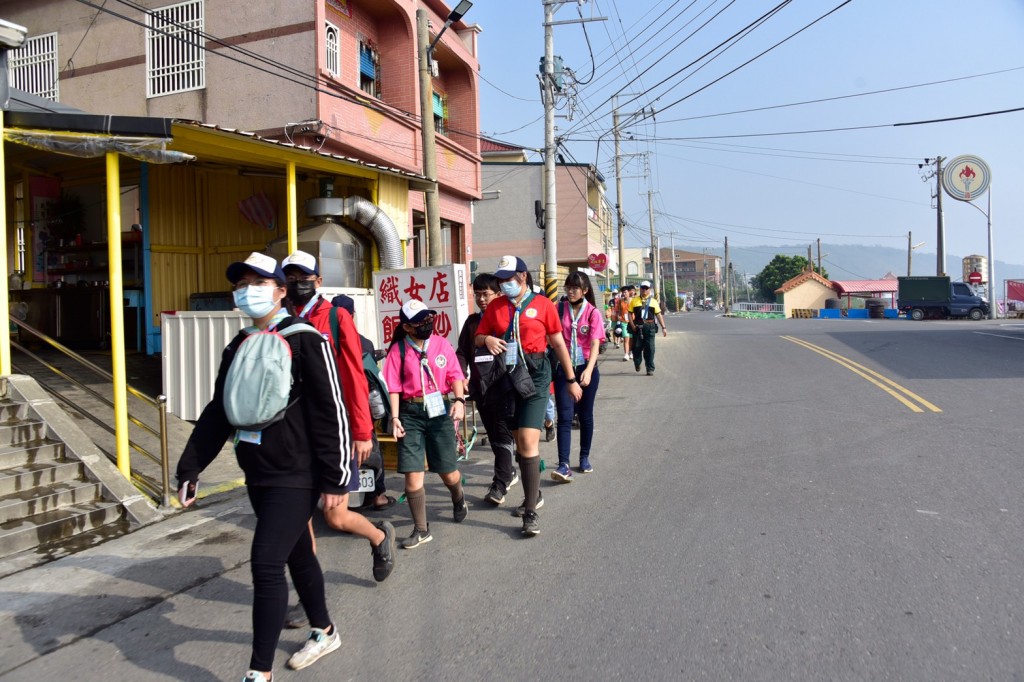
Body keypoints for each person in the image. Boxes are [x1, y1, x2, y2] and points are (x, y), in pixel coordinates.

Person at [175, 252, 346, 682]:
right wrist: (190, 468)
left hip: (298, 471)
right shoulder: (238, 344)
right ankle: (324, 630)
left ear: (281, 290)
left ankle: (259, 672)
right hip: (258, 470)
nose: (247, 290)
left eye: (258, 282)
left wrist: (337, 476)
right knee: (297, 553)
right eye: (241, 283)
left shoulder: (307, 338)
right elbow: (218, 410)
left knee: (266, 563)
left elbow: (331, 410)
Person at [281, 251, 395, 580]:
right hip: (293, 432)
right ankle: (308, 592)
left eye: (303, 278)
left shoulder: (334, 318)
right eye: (290, 278)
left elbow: (355, 377)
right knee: (299, 517)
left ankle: (379, 536)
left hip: (334, 428)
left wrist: (361, 431)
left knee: (335, 516)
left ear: (318, 281)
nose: (296, 284)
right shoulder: (279, 319)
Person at [474, 255, 582, 536]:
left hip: (535, 374)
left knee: (527, 439)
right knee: (518, 443)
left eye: (508, 278)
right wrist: (486, 339)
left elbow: (558, 342)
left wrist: (571, 380)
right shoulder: (496, 306)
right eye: (501, 279)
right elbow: (478, 336)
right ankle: (533, 493)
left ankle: (530, 512)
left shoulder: (543, 305)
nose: (504, 283)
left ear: (522, 277)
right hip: (506, 377)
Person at [383, 299, 468, 549]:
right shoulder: (398, 350)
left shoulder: (441, 344)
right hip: (410, 413)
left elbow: (455, 375)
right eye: (420, 321)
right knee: (412, 477)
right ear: (408, 327)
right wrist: (395, 418)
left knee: (448, 472)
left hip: (439, 410)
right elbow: (395, 389)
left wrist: (460, 401)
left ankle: (458, 496)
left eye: (428, 318)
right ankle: (421, 528)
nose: (426, 324)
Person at [456, 273, 520, 506]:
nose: (482, 299)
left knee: (502, 433)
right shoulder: (472, 323)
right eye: (478, 294)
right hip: (480, 388)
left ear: (499, 294)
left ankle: (500, 483)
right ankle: (508, 472)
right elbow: (461, 352)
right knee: (494, 435)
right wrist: (462, 375)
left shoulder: (509, 319)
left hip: (504, 386)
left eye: (486, 294)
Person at [332, 293, 396, 513]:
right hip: (361, 412)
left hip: (332, 414)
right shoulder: (364, 343)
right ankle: (378, 496)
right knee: (371, 448)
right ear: (352, 315)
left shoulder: (321, 339)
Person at [551, 271, 605, 482]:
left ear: (585, 290)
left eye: (575, 288)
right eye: (568, 287)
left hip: (585, 367)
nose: (571, 291)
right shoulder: (559, 309)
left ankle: (584, 457)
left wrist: (589, 371)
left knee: (585, 415)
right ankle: (563, 464)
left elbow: (595, 344)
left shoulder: (592, 313)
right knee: (564, 416)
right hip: (564, 370)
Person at [629, 280, 669, 376]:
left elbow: (658, 315)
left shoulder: (654, 302)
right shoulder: (634, 301)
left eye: (646, 288)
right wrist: (632, 325)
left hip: (650, 327)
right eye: (642, 288)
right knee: (637, 348)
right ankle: (637, 363)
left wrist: (664, 327)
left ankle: (650, 368)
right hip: (638, 327)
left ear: (650, 289)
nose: (644, 290)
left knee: (650, 349)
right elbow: (629, 314)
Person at [616, 284, 635, 361]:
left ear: (629, 292)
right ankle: (626, 354)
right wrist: (618, 316)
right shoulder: (620, 301)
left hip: (632, 322)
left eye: (625, 292)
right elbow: (618, 311)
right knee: (626, 338)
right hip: (624, 322)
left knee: (631, 339)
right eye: (623, 292)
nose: (624, 294)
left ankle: (631, 352)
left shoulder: (633, 301)